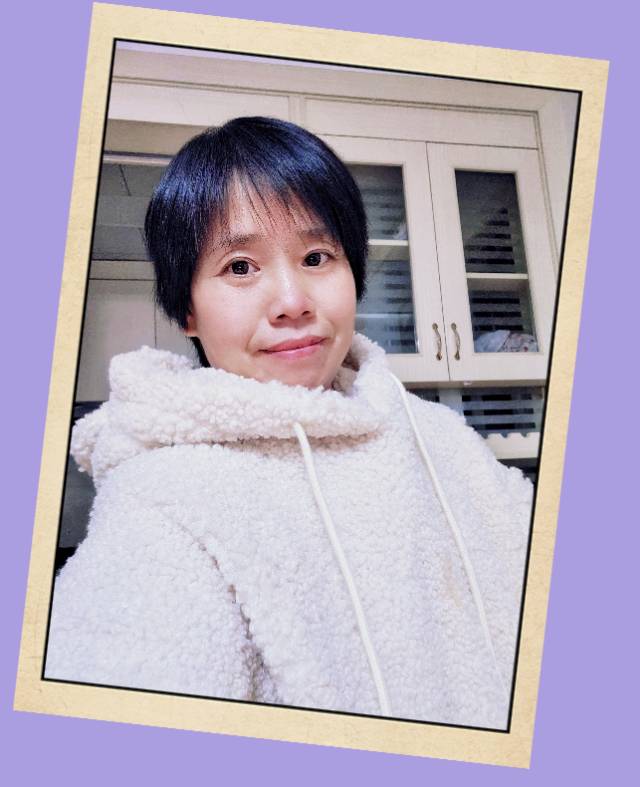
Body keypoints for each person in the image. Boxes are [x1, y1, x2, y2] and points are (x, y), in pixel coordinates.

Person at [45, 117, 533, 729]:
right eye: (240, 267)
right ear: (187, 311)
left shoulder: (439, 437)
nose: (293, 301)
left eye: (316, 257)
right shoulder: (161, 503)